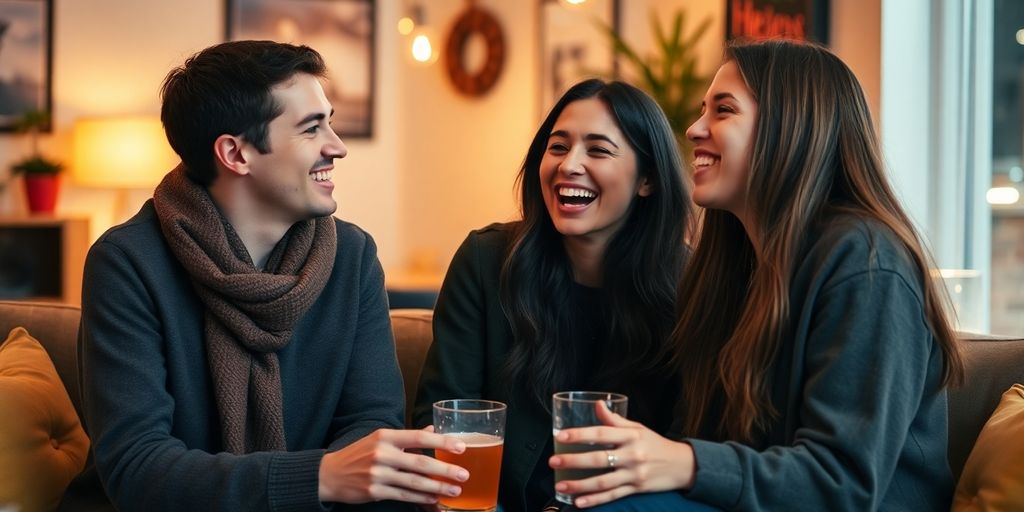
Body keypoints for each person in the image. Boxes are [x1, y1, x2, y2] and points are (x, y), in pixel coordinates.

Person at [549, 39, 966, 511]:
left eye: (723, 111)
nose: (693, 129)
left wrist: (685, 462)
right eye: (702, 111)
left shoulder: (868, 263)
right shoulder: (731, 267)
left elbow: (841, 485)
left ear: (791, 128)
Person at [76, 40, 469, 511]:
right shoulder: (127, 263)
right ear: (236, 154)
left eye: (330, 123)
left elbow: (371, 425)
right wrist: (317, 477)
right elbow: (137, 468)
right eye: (311, 128)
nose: (337, 147)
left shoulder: (353, 257)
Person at [413, 78, 694, 511]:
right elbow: (440, 424)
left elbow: (690, 448)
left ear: (648, 179)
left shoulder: (691, 286)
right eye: (558, 147)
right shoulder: (486, 262)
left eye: (598, 150)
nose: (569, 165)